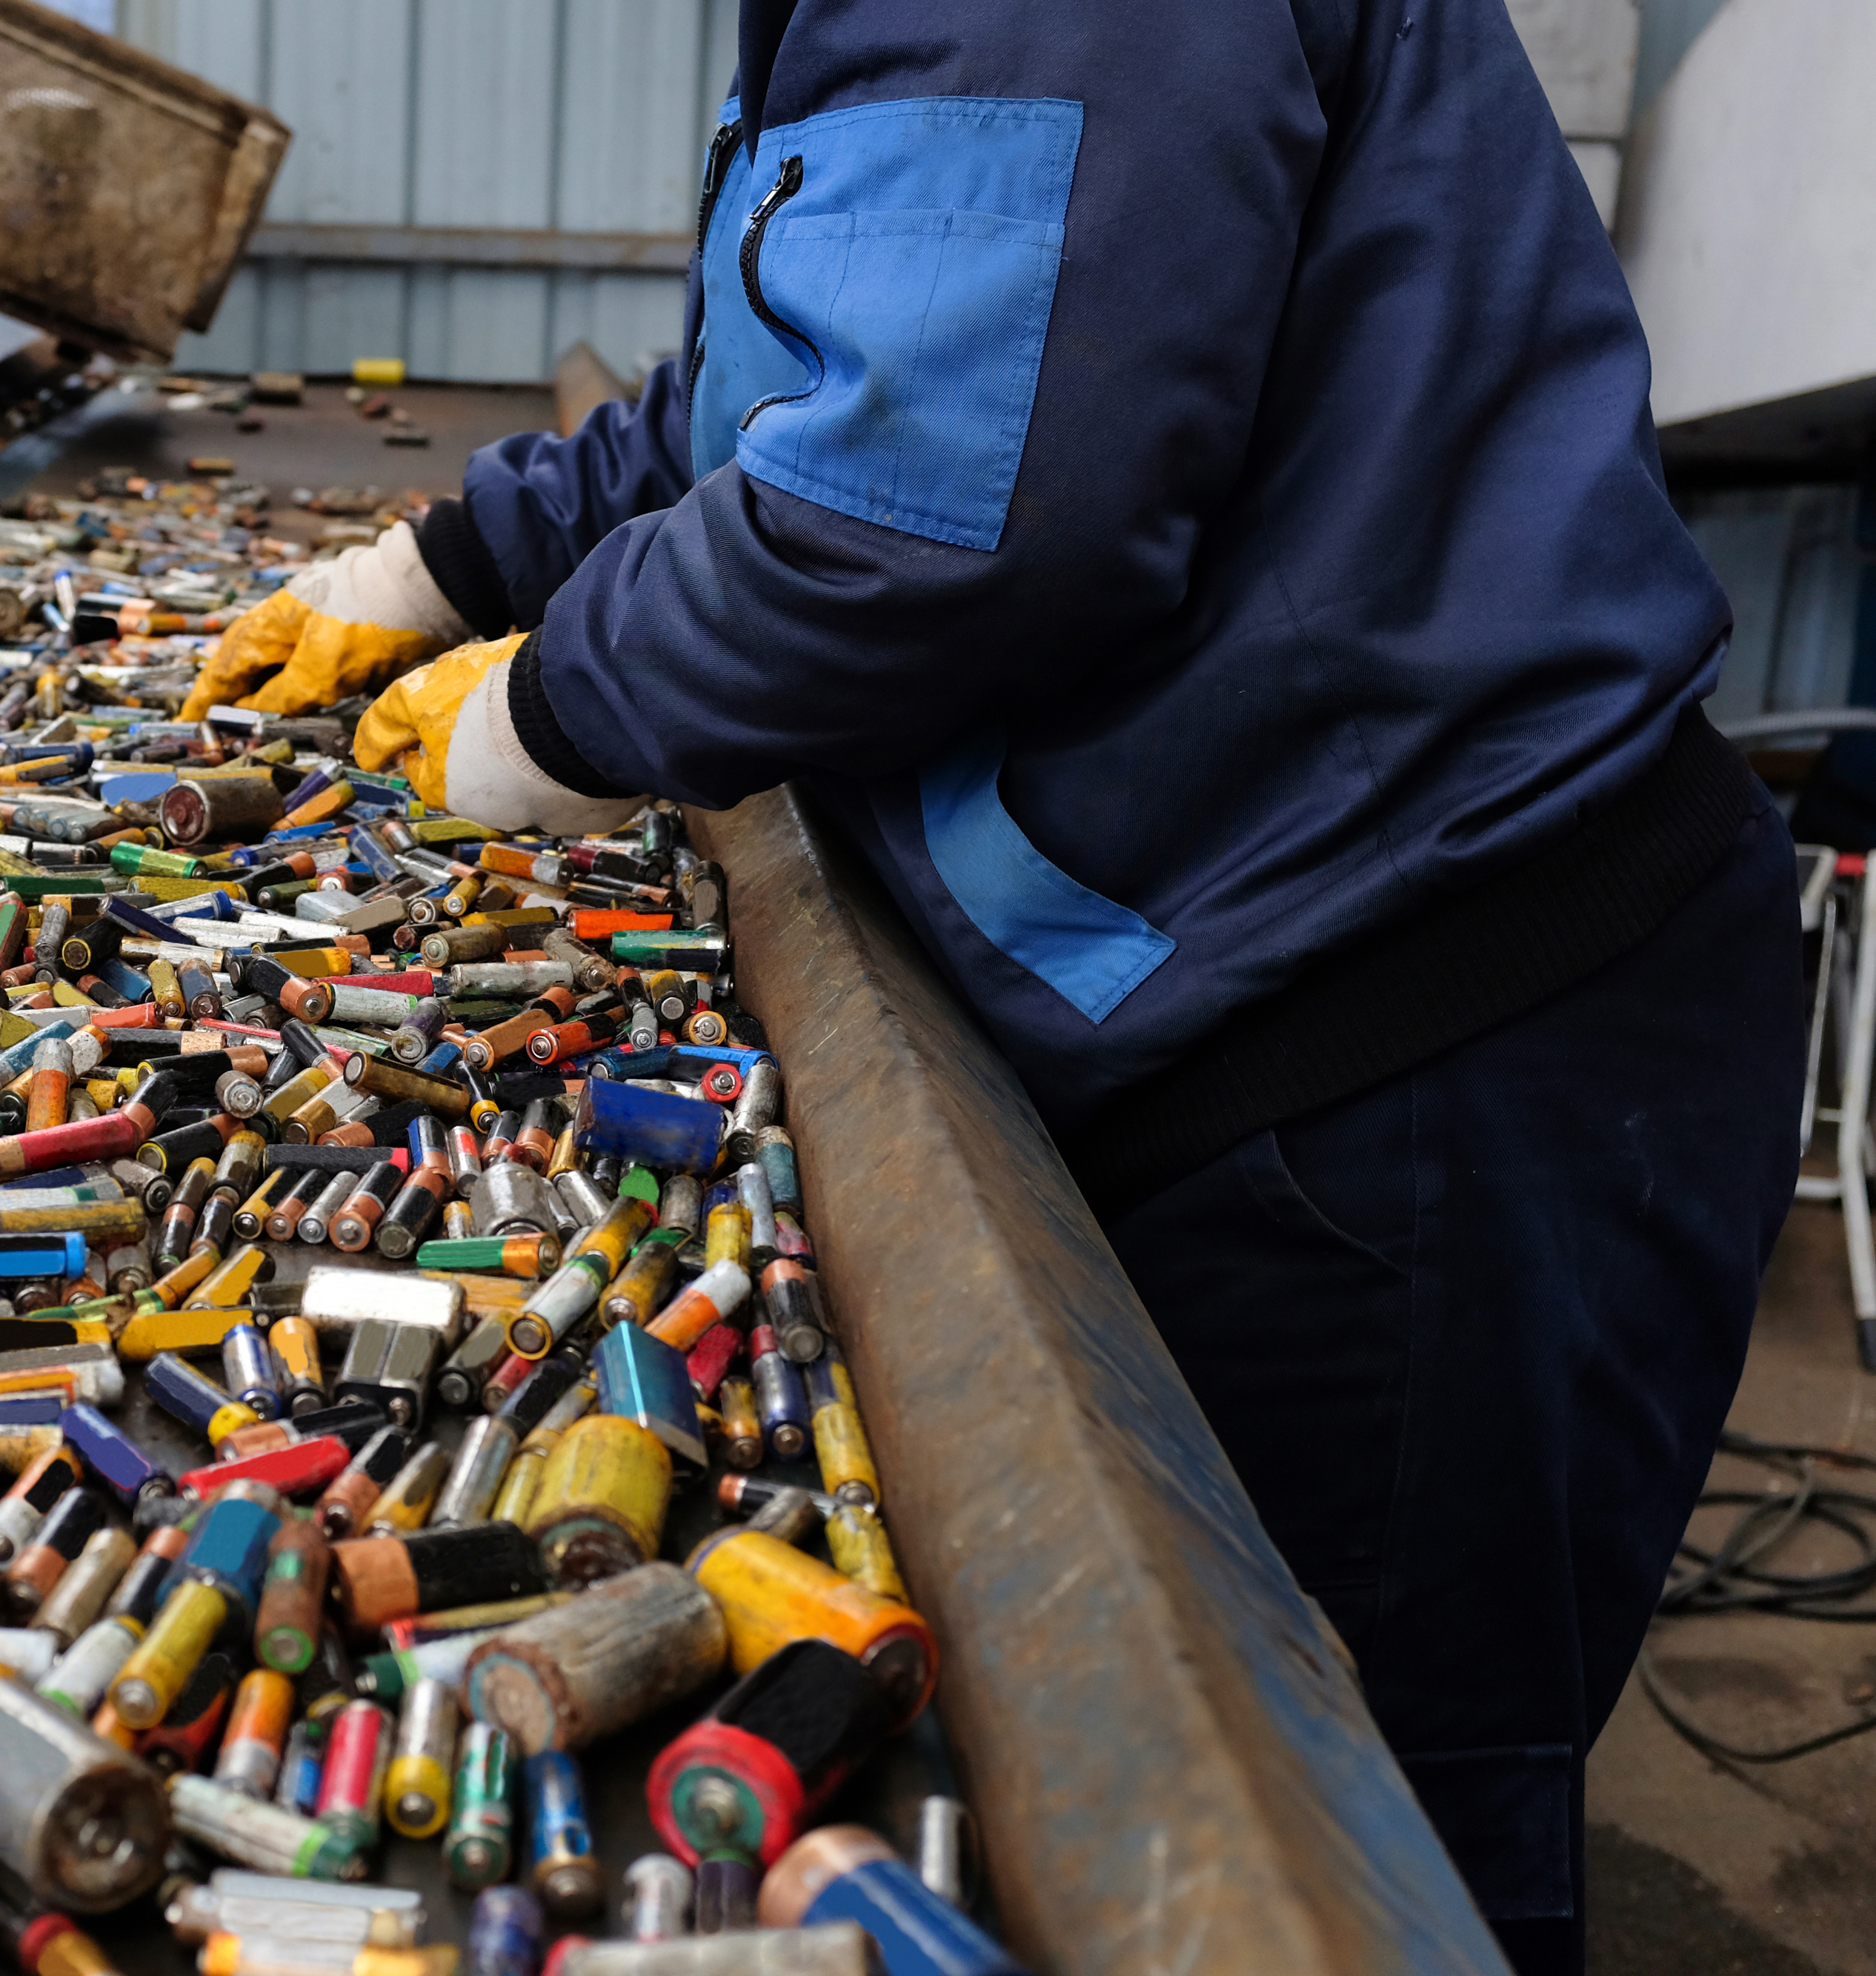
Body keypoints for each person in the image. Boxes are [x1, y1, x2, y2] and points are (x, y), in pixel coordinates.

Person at [183, 1, 1805, 1969]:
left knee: (1339, 1869)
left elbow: (919, 526)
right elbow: (801, 376)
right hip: (1283, 961)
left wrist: (548, 705)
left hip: (1426, 1037)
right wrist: (442, 564)